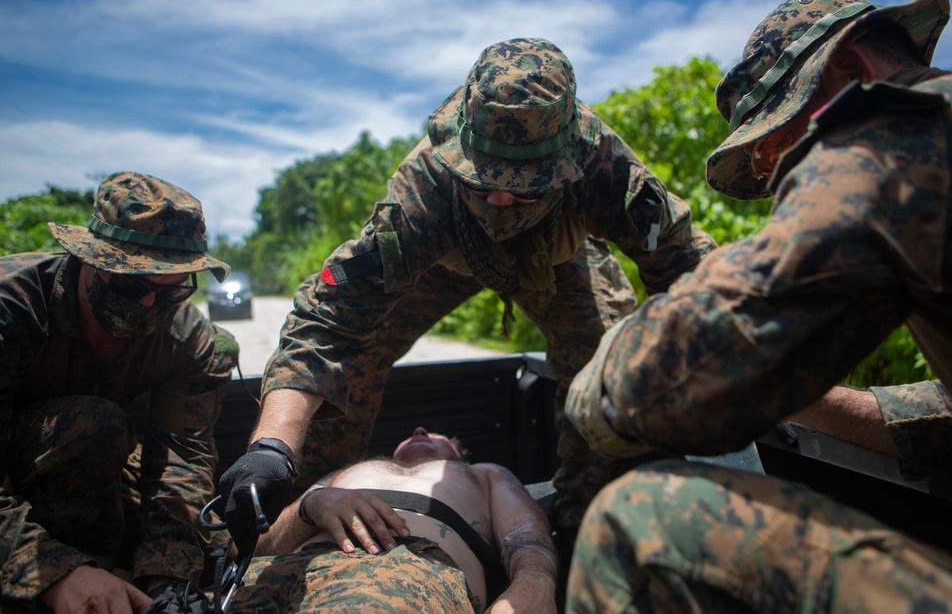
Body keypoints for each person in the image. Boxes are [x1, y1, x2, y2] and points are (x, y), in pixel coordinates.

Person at [565, 0, 952, 611]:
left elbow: (656, 389)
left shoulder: (901, 129)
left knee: (639, 517)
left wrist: (596, 383)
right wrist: (806, 395)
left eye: (779, 140)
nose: (774, 173)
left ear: (852, 73)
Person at [218, 37, 715, 566]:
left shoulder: (607, 169)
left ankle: (582, 536)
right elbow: (331, 319)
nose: (500, 201)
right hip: (442, 262)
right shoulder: (424, 186)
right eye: (483, 184)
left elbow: (690, 272)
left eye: (523, 188)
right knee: (354, 360)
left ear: (566, 163)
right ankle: (302, 523)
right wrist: (272, 446)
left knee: (602, 371)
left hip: (558, 262)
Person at [0, 172, 239, 613]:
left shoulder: (191, 340)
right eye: (133, 285)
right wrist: (57, 574)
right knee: (94, 425)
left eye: (173, 290)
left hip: (97, 479)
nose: (150, 305)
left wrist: (167, 578)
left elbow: (181, 460)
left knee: (216, 543)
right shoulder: (10, 310)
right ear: (89, 260)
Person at [225, 426, 558, 614]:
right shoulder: (343, 475)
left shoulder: (481, 474)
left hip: (400, 573)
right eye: (409, 433)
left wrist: (534, 588)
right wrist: (311, 506)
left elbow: (526, 533)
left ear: (457, 453)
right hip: (271, 575)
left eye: (437, 434)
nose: (419, 429)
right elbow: (245, 549)